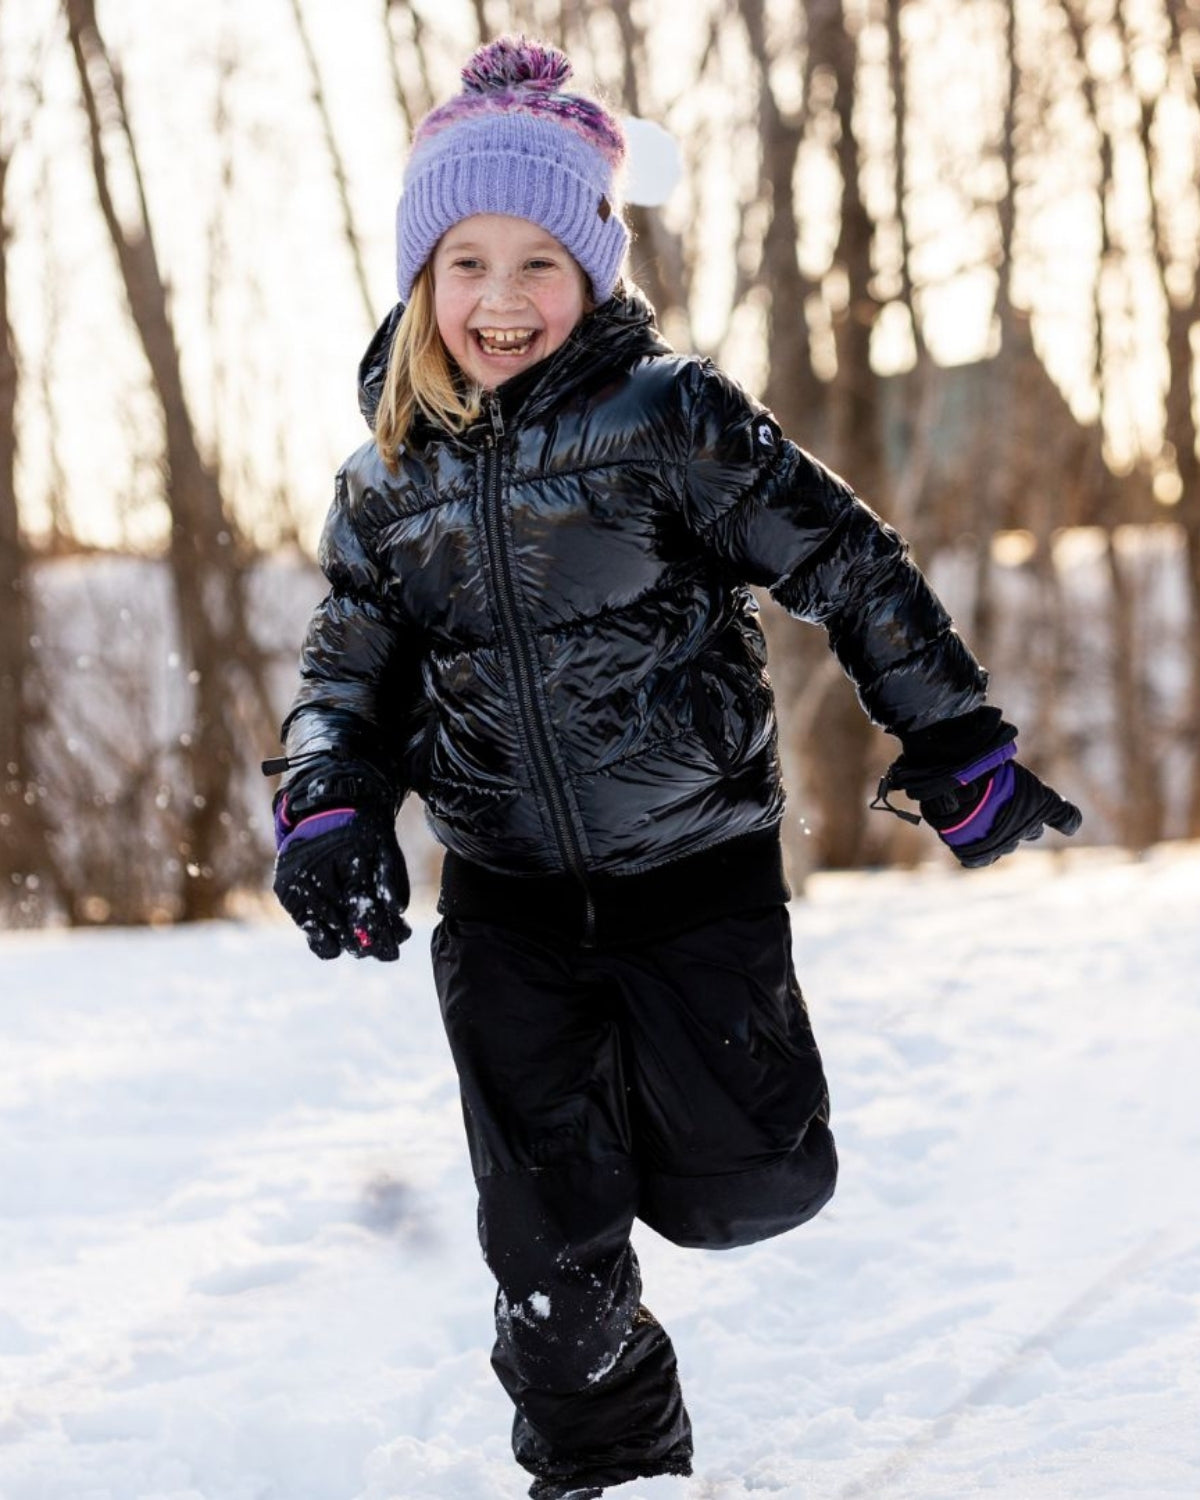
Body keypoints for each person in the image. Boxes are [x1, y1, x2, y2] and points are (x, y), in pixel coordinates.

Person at [266, 35, 1081, 1500]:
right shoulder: (383, 485)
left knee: (749, 1185)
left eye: (538, 263)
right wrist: (329, 805)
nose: (501, 300)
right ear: (418, 279)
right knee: (544, 1245)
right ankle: (609, 1460)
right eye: (465, 263)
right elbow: (346, 673)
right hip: (506, 901)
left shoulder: (670, 416)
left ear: (592, 271)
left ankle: (657, 1145)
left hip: (690, 877)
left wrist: (952, 736)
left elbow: (843, 556)